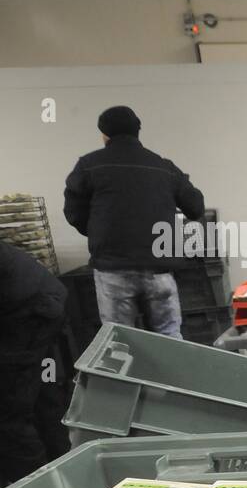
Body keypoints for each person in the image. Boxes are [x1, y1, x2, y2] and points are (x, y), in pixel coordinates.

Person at [63, 106, 206, 338]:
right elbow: (196, 206)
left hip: (113, 270)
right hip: (160, 270)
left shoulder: (89, 165)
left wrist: (99, 232)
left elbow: (73, 212)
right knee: (170, 340)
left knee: (120, 342)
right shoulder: (163, 167)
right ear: (138, 131)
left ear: (104, 135)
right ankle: (169, 374)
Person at [0, 242, 71, 488]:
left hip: (28, 313)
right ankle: (63, 470)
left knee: (10, 412)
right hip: (37, 299)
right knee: (42, 391)